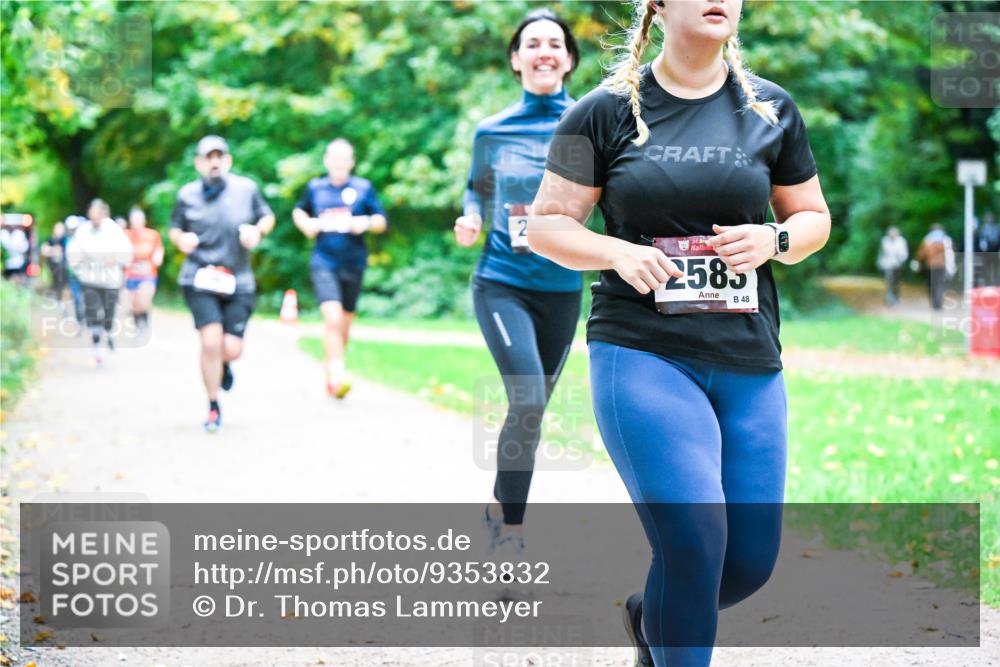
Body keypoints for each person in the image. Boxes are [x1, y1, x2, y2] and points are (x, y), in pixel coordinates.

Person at [528, 1, 831, 665]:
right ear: (658, 6)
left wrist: (774, 237)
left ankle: (652, 618)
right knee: (693, 539)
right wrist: (616, 252)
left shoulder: (771, 109)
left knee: (748, 561)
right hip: (642, 350)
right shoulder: (600, 112)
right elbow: (546, 226)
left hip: (749, 356)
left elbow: (813, 217)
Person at [453, 8, 582, 562]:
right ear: (515, 58)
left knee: (531, 411)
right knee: (527, 396)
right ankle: (512, 531)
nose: (544, 51)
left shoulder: (590, 120)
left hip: (563, 287)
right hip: (502, 281)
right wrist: (471, 217)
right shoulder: (493, 130)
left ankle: (495, 505)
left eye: (554, 42)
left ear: (569, 57)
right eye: (533, 43)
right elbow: (475, 189)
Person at [169, 135, 275, 432]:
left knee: (231, 348)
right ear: (199, 163)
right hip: (200, 277)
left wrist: (256, 231)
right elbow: (175, 229)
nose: (214, 162)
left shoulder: (246, 189)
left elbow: (268, 217)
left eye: (219, 156)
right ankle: (213, 405)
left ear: (227, 161)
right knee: (210, 341)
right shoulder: (187, 194)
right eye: (208, 157)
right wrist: (182, 240)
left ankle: (224, 365)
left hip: (238, 278)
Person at [292, 138, 388, 398]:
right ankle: (338, 374)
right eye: (334, 158)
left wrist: (365, 223)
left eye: (344, 159)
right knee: (332, 318)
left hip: (353, 262)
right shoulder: (315, 188)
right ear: (326, 160)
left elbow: (381, 220)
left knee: (343, 325)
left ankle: (332, 371)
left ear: (351, 162)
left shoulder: (363, 188)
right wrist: (306, 226)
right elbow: (299, 211)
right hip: (324, 261)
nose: (338, 163)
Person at [66, 198, 134, 364]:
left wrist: (115, 259)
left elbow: (126, 252)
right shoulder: (83, 231)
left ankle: (108, 332)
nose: (95, 218)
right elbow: (73, 252)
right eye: (92, 214)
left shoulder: (114, 230)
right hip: (90, 279)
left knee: (109, 311)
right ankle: (97, 346)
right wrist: (79, 267)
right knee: (92, 310)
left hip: (110, 280)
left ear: (104, 214)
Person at [124, 206, 164, 330]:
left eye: (139, 219)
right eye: (134, 219)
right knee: (134, 304)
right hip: (131, 274)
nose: (136, 222)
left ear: (144, 220)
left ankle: (145, 321)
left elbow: (159, 249)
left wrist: (158, 257)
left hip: (148, 273)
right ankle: (137, 323)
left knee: (144, 300)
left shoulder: (152, 234)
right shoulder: (125, 235)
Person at [915, 223, 954, 310]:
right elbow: (949, 254)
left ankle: (934, 302)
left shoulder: (928, 239)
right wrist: (951, 266)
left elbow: (922, 253)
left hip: (930, 265)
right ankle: (938, 303)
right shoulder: (946, 240)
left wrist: (917, 262)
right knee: (939, 284)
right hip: (941, 265)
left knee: (931, 284)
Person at [876, 226, 908, 305]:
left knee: (896, 282)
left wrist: (901, 260)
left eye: (894, 234)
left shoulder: (902, 241)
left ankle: (896, 296)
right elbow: (881, 253)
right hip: (887, 264)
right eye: (890, 234)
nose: (892, 235)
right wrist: (879, 262)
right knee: (889, 281)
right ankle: (890, 298)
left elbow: (904, 253)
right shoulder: (884, 241)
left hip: (897, 264)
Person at [41, 222, 69, 301]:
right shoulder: (50, 239)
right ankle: (58, 296)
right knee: (56, 280)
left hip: (63, 265)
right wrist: (53, 250)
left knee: (63, 281)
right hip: (53, 265)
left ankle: (61, 297)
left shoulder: (65, 239)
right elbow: (44, 250)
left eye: (61, 228)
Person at [975, 211, 999, 286]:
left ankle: (994, 284)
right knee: (985, 269)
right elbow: (980, 241)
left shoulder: (996, 228)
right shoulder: (982, 229)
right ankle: (986, 284)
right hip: (985, 253)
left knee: (994, 269)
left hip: (994, 252)